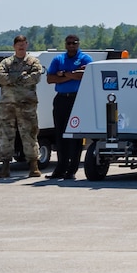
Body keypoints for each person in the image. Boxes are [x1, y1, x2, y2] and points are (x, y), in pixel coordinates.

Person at [0, 35, 45, 178]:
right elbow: (1, 77)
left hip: (26, 105)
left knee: (29, 134)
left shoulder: (33, 61)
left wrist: (14, 78)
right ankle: (5, 166)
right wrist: (21, 77)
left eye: (23, 44)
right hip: (7, 105)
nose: (21, 46)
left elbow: (35, 77)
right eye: (18, 44)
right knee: (5, 134)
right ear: (14, 46)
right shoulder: (6, 62)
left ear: (27, 45)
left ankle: (34, 166)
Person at [45, 34, 93, 179]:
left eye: (74, 43)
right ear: (65, 44)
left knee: (75, 135)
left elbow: (83, 76)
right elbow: (50, 79)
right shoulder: (58, 59)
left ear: (78, 44)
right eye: (69, 43)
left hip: (76, 99)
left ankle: (71, 170)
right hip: (61, 100)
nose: (72, 45)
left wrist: (63, 75)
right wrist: (71, 74)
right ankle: (60, 167)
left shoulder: (85, 59)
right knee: (60, 135)